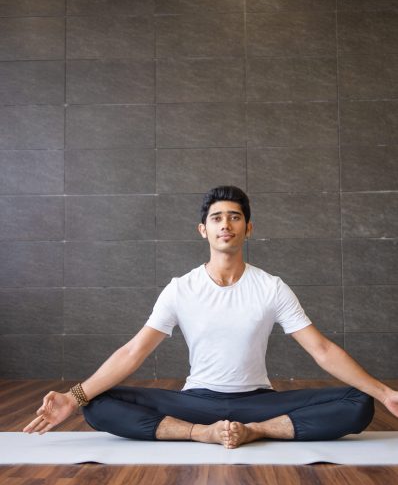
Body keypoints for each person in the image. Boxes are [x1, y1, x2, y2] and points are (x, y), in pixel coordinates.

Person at [23, 186, 398, 449]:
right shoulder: (180, 288)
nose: (225, 224)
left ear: (247, 229)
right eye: (217, 217)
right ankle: (198, 434)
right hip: (196, 403)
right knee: (98, 404)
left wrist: (384, 393)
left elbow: (322, 349)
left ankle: (255, 431)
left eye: (234, 217)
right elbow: (134, 351)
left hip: (257, 402)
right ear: (204, 229)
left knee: (359, 403)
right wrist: (74, 398)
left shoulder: (271, 287)